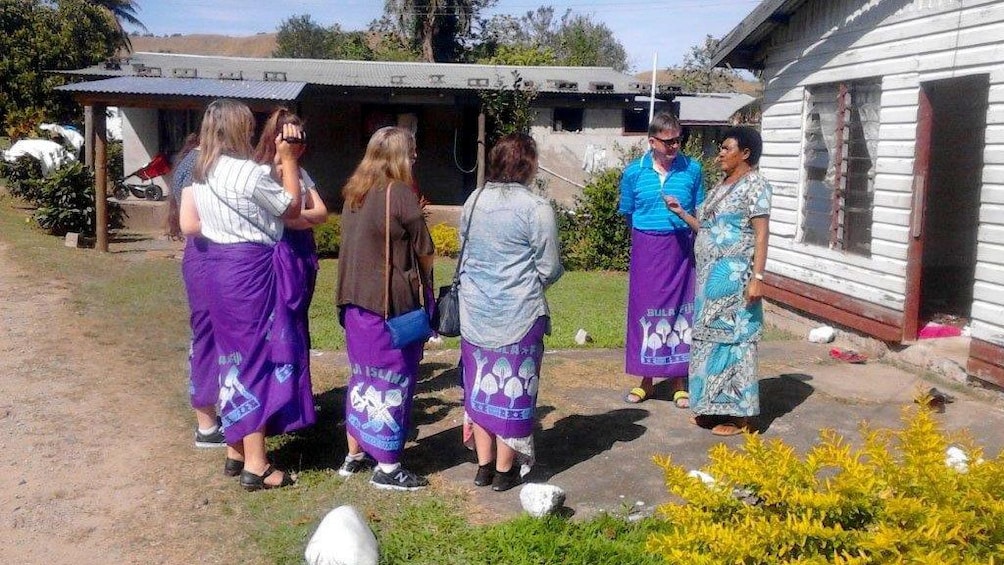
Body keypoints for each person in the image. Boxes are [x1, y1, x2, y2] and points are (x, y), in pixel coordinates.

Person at [179, 98, 315, 490]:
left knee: (232, 359)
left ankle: (235, 450)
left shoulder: (202, 172)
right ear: (241, 130)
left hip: (219, 269)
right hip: (251, 270)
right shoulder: (248, 174)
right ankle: (258, 464)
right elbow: (290, 209)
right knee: (255, 360)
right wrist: (288, 161)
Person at [458, 133, 563, 492]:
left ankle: (483, 467)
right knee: (513, 391)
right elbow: (549, 267)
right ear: (529, 164)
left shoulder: (474, 200)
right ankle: (505, 472)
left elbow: (464, 249)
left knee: (480, 390)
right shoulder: (537, 208)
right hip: (519, 315)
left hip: (474, 313)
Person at [336, 126, 435, 491]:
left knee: (362, 378)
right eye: (410, 151)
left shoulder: (353, 194)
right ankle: (389, 467)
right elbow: (425, 251)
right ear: (397, 156)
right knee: (393, 379)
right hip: (389, 307)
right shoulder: (401, 194)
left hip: (353, 303)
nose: (414, 158)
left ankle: (354, 455)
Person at [663, 126, 772, 436]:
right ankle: (712, 408)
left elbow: (762, 234)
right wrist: (682, 213)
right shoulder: (721, 186)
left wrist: (758, 277)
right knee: (710, 343)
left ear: (745, 153)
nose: (720, 154)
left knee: (734, 344)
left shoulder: (756, 186)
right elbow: (709, 229)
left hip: (736, 279)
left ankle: (741, 417)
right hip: (710, 280)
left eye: (727, 148)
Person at [618, 112, 704, 407]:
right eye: (668, 142)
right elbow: (629, 214)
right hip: (647, 248)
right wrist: (648, 237)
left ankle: (679, 379)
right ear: (652, 141)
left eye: (678, 140)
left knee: (681, 311)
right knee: (645, 310)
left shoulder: (693, 169)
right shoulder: (633, 173)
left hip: (681, 248)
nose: (674, 147)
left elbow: (701, 212)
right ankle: (646, 380)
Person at [168, 133, 228, 452]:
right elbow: (193, 221)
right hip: (207, 256)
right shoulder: (199, 164)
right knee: (207, 338)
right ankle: (206, 425)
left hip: (204, 257)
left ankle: (214, 416)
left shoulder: (192, 160)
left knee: (208, 337)